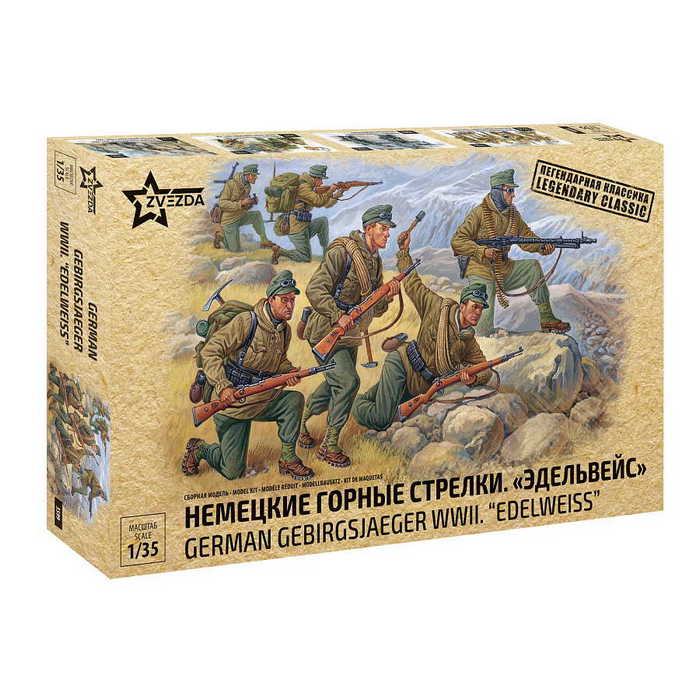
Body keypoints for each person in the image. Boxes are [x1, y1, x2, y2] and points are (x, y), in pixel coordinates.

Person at [352, 226, 492, 431]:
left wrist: (473, 377)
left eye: (480, 309)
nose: (477, 313)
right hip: (403, 364)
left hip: (420, 386)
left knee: (379, 402)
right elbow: (413, 284)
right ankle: (354, 409)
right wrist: (404, 252)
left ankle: (357, 401)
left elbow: (485, 368)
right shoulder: (436, 306)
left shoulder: (467, 339)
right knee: (383, 420)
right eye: (474, 307)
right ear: (462, 306)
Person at [181, 271, 312, 481]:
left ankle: (288, 459)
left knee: (293, 400)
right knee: (232, 472)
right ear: (271, 299)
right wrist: (223, 386)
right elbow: (210, 352)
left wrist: (289, 371)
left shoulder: (284, 330)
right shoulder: (246, 322)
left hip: (261, 398)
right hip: (232, 403)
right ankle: (200, 449)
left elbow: (277, 361)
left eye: (292, 300)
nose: (290, 305)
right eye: (284, 300)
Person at [300, 205, 400, 466]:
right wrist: (337, 315)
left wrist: (388, 295)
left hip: (349, 335)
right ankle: (329, 445)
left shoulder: (375, 261)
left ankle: (300, 421)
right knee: (347, 383)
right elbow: (315, 289)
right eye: (383, 228)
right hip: (326, 330)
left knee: (334, 384)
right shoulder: (342, 252)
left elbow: (375, 308)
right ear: (368, 228)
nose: (387, 234)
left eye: (388, 229)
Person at [451, 169, 570, 335]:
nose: (513, 195)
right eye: (509, 190)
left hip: (503, 268)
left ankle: (547, 318)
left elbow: (526, 237)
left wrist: (542, 246)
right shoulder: (479, 213)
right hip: (481, 270)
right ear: (497, 191)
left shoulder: (513, 214)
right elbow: (457, 241)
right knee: (482, 330)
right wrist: (482, 251)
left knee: (532, 267)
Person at [270, 164, 341, 264]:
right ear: (315, 178)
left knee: (322, 221)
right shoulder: (303, 187)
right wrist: (331, 191)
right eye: (320, 179)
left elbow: (326, 204)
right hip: (296, 228)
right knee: (305, 258)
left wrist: (339, 192)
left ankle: (326, 254)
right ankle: (280, 251)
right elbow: (318, 201)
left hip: (305, 225)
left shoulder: (309, 188)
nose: (321, 183)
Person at [216, 164, 270, 251]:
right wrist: (241, 203)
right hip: (229, 220)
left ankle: (264, 240)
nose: (256, 178)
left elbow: (244, 207)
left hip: (240, 216)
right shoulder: (231, 184)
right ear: (248, 175)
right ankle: (221, 237)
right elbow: (222, 203)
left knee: (256, 215)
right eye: (254, 176)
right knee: (234, 250)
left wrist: (251, 202)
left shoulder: (248, 186)